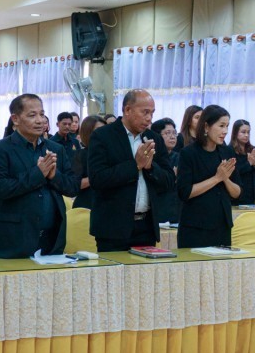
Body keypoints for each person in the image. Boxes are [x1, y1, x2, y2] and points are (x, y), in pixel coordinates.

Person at [0, 94, 79, 258]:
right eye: (32, 115)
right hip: (14, 240)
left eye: (42, 114)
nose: (40, 121)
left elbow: (72, 187)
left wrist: (54, 175)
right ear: (15, 119)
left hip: (51, 240)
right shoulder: (0, 149)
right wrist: (38, 173)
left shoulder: (56, 149)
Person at [88, 90, 176, 252]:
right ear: (127, 110)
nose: (149, 118)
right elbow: (97, 179)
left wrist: (150, 167)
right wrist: (135, 166)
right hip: (112, 228)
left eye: (152, 113)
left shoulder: (154, 139)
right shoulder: (103, 136)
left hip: (146, 226)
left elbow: (169, 180)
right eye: (145, 112)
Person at [177, 104, 241, 248]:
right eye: (221, 126)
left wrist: (225, 179)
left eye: (227, 126)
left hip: (222, 226)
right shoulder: (188, 153)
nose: (225, 131)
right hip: (195, 228)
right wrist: (217, 178)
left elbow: (237, 192)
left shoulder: (227, 152)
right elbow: (184, 192)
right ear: (206, 126)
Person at [72, 115, 106, 209]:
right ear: (88, 133)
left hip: (108, 203)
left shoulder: (110, 153)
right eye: (98, 130)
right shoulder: (81, 154)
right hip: (87, 204)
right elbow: (75, 184)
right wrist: (100, 176)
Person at [152, 117, 181, 223]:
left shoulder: (180, 157)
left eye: (174, 133)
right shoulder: (151, 158)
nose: (172, 136)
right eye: (167, 133)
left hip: (177, 212)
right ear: (156, 136)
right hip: (158, 211)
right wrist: (171, 178)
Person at [230, 119, 255, 206]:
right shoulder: (229, 150)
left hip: (250, 195)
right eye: (243, 132)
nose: (246, 135)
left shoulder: (252, 149)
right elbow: (233, 173)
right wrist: (249, 164)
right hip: (236, 194)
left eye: (248, 132)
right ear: (235, 133)